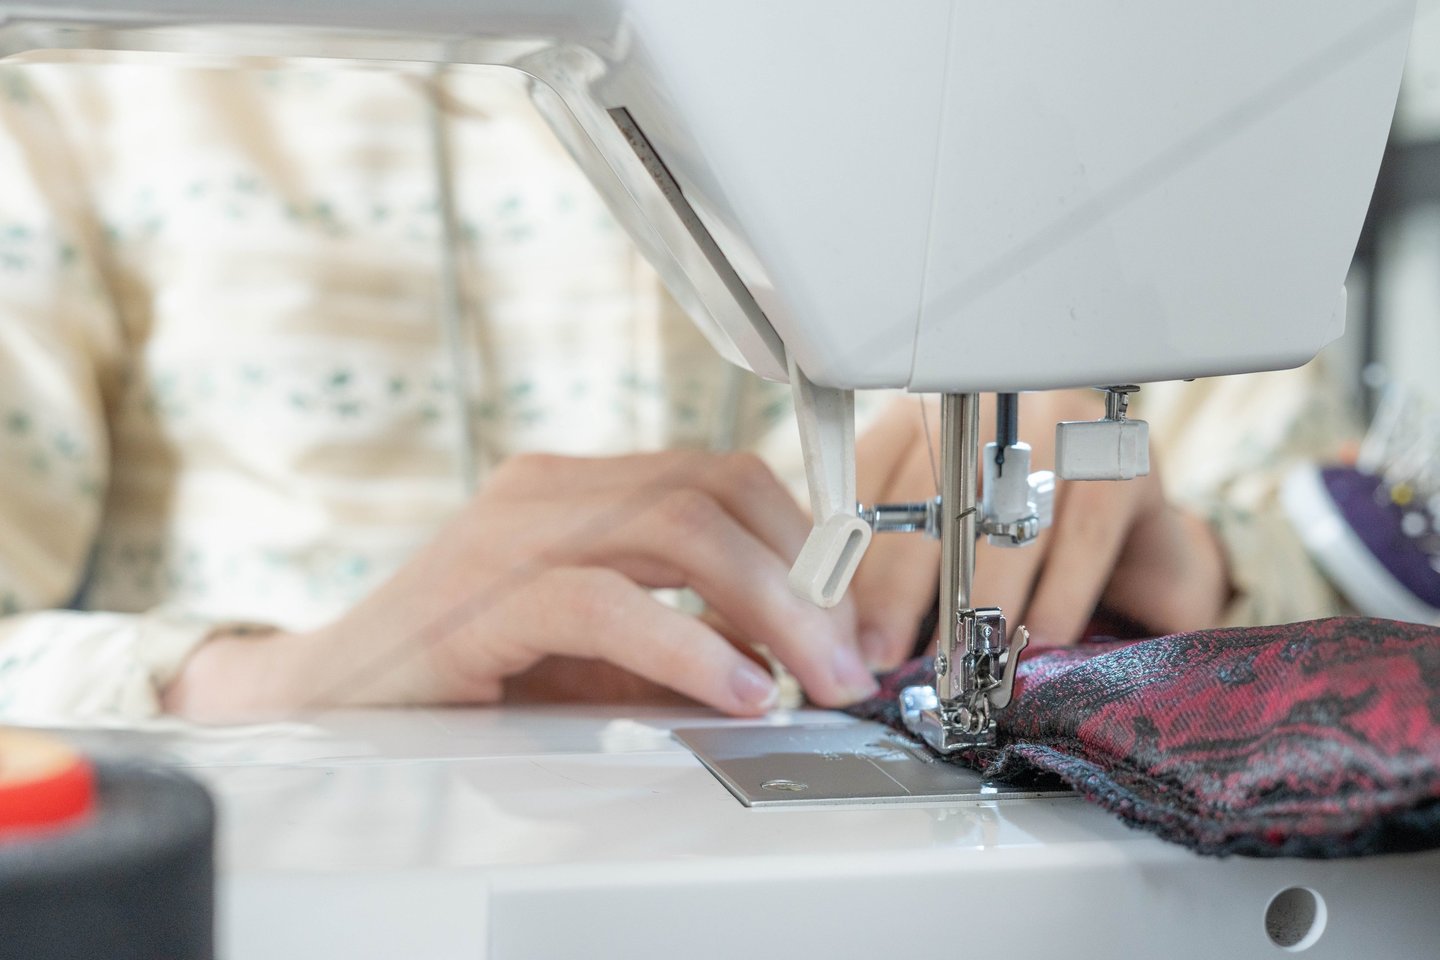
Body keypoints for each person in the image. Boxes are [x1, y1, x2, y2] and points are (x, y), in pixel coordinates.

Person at [0, 59, 1352, 725]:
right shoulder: (86, 98)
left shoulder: (991, 74)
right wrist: (274, 684)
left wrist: (1205, 574)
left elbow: (1362, 558)